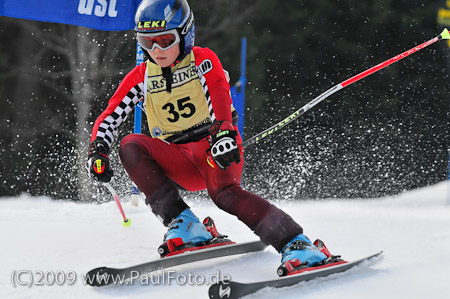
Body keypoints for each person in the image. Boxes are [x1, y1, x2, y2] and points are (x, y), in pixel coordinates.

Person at [87, 0, 331, 275]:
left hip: (215, 148)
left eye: (165, 40)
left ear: (185, 33)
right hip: (177, 157)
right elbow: (110, 115)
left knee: (224, 195)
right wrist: (98, 149)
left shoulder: (202, 60)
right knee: (130, 144)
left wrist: (224, 131)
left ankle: (298, 244)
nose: (156, 50)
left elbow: (218, 92)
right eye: (148, 42)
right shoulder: (141, 76)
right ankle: (186, 224)